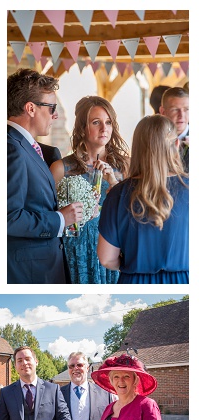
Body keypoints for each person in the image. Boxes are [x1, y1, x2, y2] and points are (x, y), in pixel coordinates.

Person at [6, 68, 83, 284]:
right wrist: (61, 219)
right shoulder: (13, 149)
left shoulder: (30, 147)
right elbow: (10, 217)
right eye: (52, 108)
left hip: (43, 263)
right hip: (29, 270)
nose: (55, 115)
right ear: (31, 108)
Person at [98, 115, 188, 283]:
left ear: (137, 149)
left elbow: (106, 258)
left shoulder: (117, 194)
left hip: (134, 280)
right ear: (176, 144)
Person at [50, 96, 129, 284]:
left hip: (114, 248)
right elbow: (49, 215)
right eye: (96, 122)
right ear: (82, 128)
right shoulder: (61, 168)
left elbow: (135, 214)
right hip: (76, 253)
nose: (104, 128)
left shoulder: (126, 166)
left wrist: (114, 183)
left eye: (108, 122)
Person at [159, 87, 189, 172]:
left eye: (186, 109)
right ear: (163, 111)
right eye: (175, 109)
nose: (181, 115)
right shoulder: (153, 137)